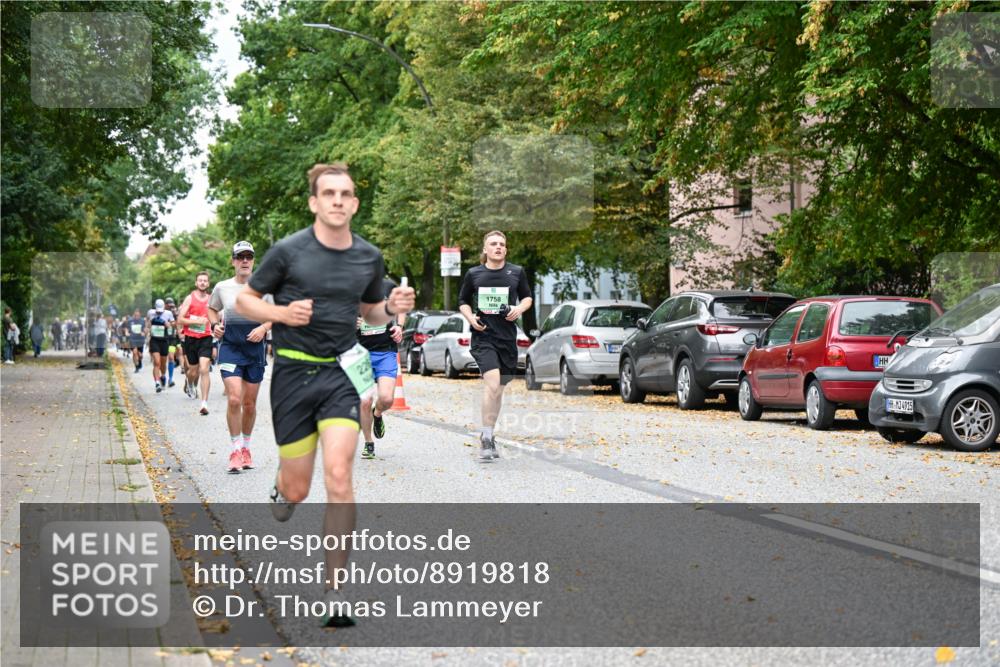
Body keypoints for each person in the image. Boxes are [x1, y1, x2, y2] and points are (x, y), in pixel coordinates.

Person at [235, 162, 415, 626]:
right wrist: (279, 315)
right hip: (293, 377)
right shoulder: (288, 251)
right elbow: (245, 301)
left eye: (346, 193)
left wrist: (391, 310)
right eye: (328, 193)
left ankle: (336, 592)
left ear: (354, 203)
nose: (337, 200)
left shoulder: (368, 257)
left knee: (339, 476)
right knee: (299, 487)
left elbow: (372, 315)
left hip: (341, 374)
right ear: (315, 202)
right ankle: (281, 489)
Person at [457, 230, 533, 460]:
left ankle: (489, 434)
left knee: (498, 390)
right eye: (493, 243)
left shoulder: (516, 272)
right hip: (484, 336)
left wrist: (519, 309)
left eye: (502, 244)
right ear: (485, 250)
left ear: (505, 250)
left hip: (507, 339)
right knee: (491, 384)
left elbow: (527, 297)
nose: (498, 247)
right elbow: (462, 301)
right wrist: (471, 319)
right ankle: (487, 438)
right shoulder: (474, 274)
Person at [209, 241, 272, 474]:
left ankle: (246, 447)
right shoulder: (222, 287)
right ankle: (235, 450)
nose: (245, 260)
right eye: (240, 256)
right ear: (233, 261)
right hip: (231, 348)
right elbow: (212, 308)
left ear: (253, 260)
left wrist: (264, 328)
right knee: (235, 399)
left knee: (249, 403)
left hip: (254, 350)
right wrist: (215, 325)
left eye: (249, 256)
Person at [356, 276, 405, 460]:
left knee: (386, 398)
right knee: (364, 401)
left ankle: (378, 414)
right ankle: (369, 443)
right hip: (360, 353)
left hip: (385, 351)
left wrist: (399, 326)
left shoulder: (387, 285)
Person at [178, 272, 215, 414]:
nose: (203, 283)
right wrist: (196, 321)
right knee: (192, 371)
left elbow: (216, 317)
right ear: (196, 283)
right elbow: (180, 319)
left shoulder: (212, 300)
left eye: (205, 281)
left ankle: (204, 403)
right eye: (200, 280)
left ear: (208, 284)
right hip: (191, 339)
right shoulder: (189, 298)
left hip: (206, 338)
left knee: (204, 368)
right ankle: (189, 382)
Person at [146, 300, 174, 392]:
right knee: (157, 362)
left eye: (160, 311)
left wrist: (168, 324)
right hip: (154, 340)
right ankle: (157, 383)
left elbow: (173, 324)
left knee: (163, 363)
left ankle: (163, 376)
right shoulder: (150, 312)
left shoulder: (168, 313)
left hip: (164, 341)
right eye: (157, 311)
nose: (159, 312)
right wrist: (148, 327)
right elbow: (147, 323)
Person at [164, 297, 181, 388]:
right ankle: (162, 376)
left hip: (172, 339)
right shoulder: (161, 314)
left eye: (172, 306)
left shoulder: (175, 314)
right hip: (162, 339)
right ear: (165, 305)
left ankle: (170, 379)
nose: (171, 308)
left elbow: (178, 324)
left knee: (171, 357)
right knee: (161, 361)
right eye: (169, 306)